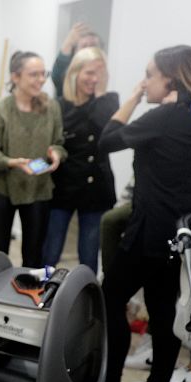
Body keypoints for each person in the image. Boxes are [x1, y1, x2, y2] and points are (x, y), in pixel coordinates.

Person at [100, 45, 191, 382]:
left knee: (111, 297)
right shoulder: (188, 115)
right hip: (182, 236)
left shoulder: (164, 118)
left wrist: (135, 97)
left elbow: (107, 139)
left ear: (169, 79)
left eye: (150, 74)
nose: (145, 81)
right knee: (161, 307)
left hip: (149, 232)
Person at [0, 51, 67, 268]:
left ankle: (29, 299)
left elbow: (59, 142)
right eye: (33, 74)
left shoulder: (51, 108)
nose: (41, 80)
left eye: (43, 74)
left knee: (34, 254)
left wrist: (56, 154)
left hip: (38, 186)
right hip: (1, 189)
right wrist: (13, 162)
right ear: (16, 77)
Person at [42, 47, 119, 273]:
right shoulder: (59, 105)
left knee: (88, 254)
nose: (94, 79)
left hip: (96, 189)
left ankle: (86, 301)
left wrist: (101, 94)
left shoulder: (109, 101)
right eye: (89, 73)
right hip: (62, 186)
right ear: (75, 72)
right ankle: (42, 297)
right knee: (50, 251)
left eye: (99, 74)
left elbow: (106, 132)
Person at [51, 22, 101, 97]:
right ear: (75, 51)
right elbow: (57, 76)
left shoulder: (101, 70)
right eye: (84, 46)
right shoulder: (69, 72)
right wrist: (69, 42)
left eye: (93, 46)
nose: (89, 50)